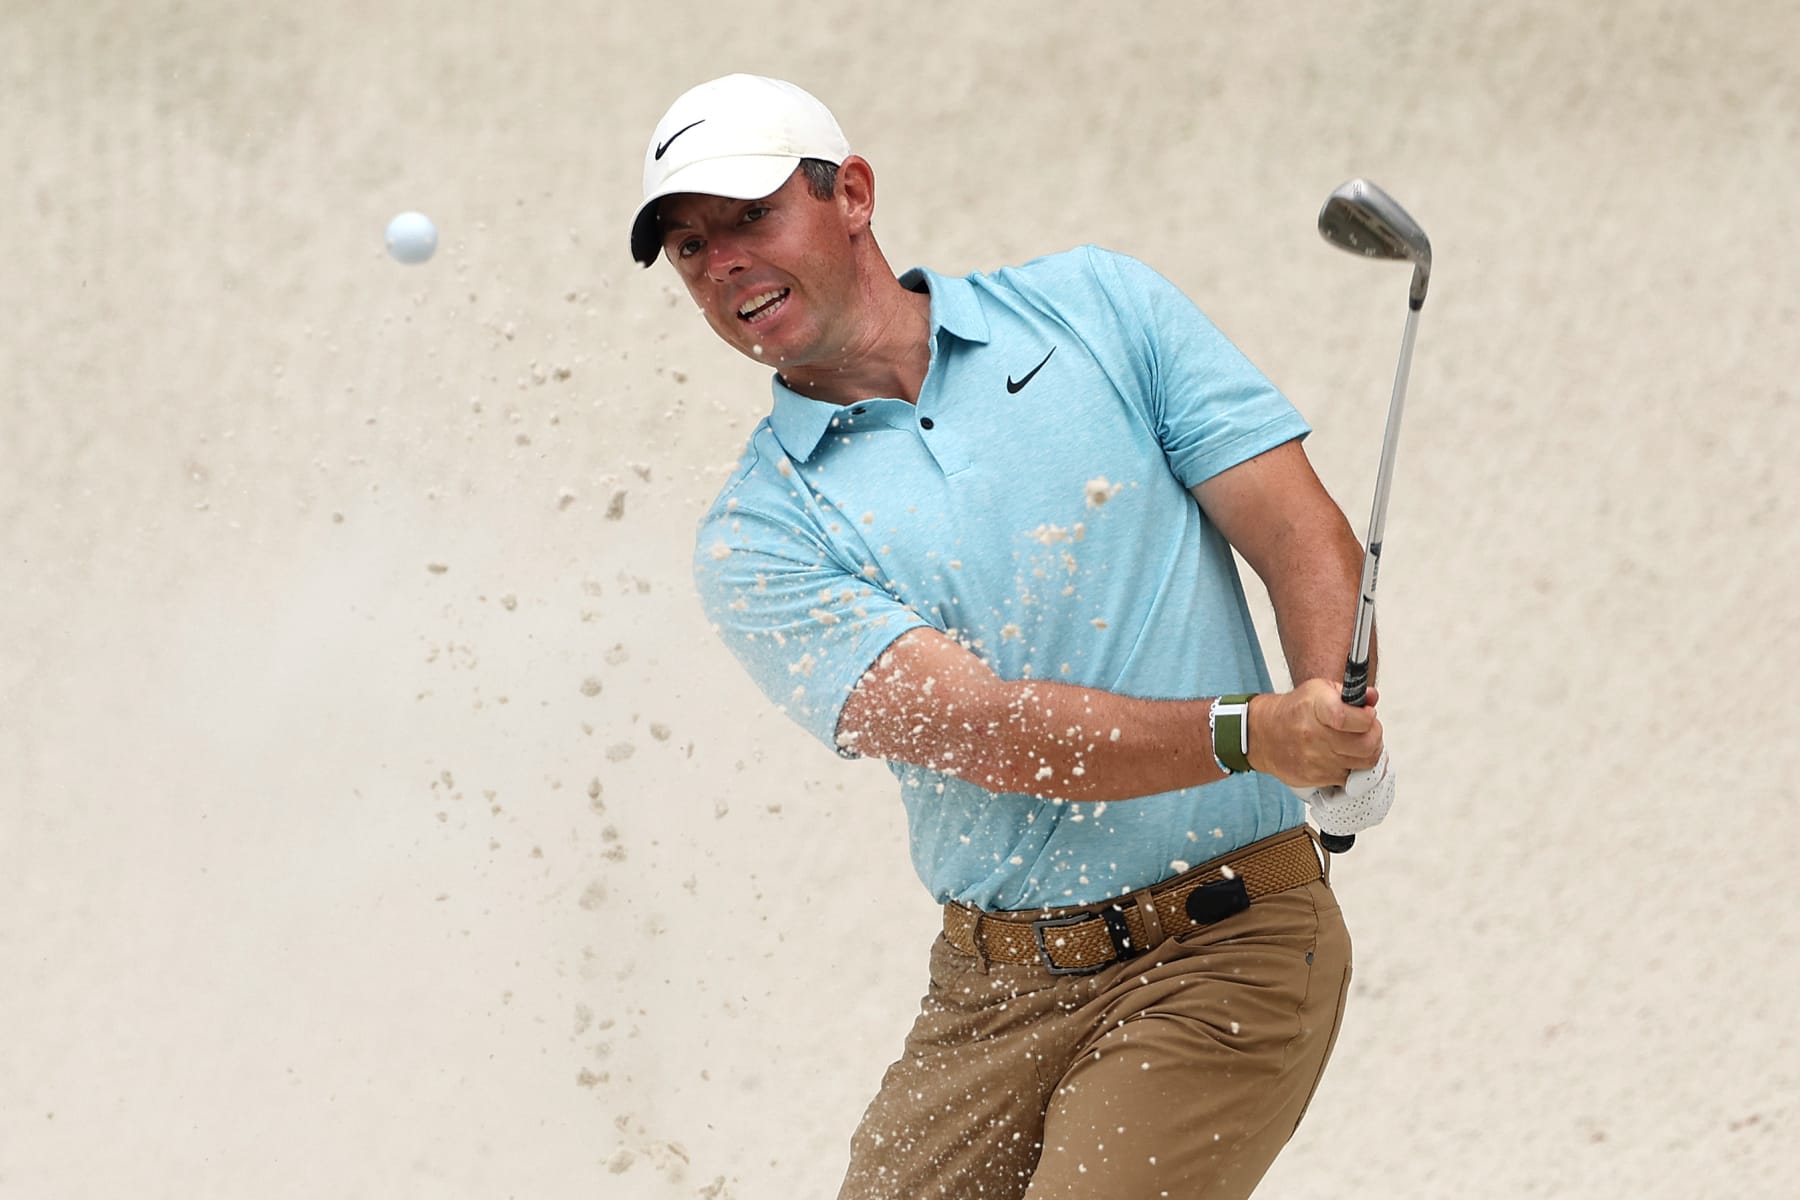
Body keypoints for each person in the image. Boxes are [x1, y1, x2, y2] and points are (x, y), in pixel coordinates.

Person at [632, 73, 1395, 1200]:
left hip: (1225, 940)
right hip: (990, 994)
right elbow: (991, 734)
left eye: (753, 216)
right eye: (691, 247)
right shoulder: (758, 535)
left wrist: (1330, 717)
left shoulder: (1099, 309)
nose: (724, 262)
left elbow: (1293, 529)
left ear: (852, 194)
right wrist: (1255, 733)